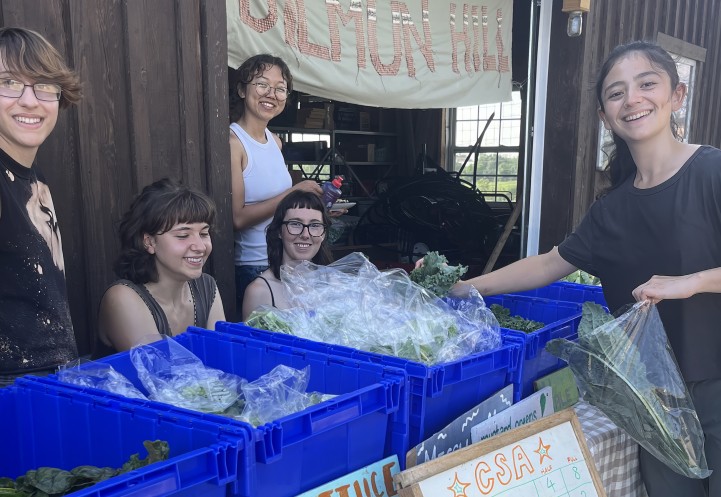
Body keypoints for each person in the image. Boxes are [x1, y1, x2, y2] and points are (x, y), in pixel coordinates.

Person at [421, 41, 719, 496]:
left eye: (646, 84)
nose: (632, 99)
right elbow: (546, 265)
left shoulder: (711, 172)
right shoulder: (611, 210)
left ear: (677, 96)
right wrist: (462, 287)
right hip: (650, 399)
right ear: (605, 116)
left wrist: (693, 282)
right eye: (616, 93)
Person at [0, 27, 82, 386]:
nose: (30, 101)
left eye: (45, 86)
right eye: (8, 82)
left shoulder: (34, 178)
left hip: (46, 383)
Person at [229, 54, 325, 317]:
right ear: (241, 89)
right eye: (261, 84)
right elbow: (237, 218)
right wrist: (295, 191)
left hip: (288, 263)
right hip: (254, 266)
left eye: (280, 88)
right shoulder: (234, 143)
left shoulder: (275, 142)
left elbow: (281, 206)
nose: (271, 94)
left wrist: (310, 211)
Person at [95, 178, 225, 356]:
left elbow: (220, 358)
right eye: (183, 235)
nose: (200, 246)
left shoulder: (207, 286)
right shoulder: (122, 297)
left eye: (204, 233)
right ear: (149, 242)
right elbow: (159, 374)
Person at [241, 190, 332, 320]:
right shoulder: (260, 291)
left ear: (323, 234)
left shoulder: (334, 283)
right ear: (279, 231)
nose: (305, 234)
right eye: (295, 224)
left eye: (314, 225)